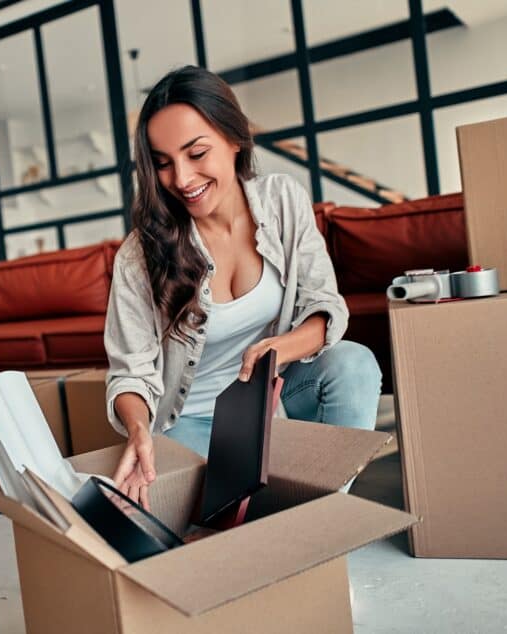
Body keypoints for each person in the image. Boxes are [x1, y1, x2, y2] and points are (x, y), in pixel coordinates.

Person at [106, 67, 381, 508]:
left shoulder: (282, 200)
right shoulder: (140, 255)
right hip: (190, 423)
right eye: (163, 163)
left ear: (235, 138)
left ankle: (328, 510)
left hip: (273, 401)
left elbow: (324, 304)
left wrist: (279, 349)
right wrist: (139, 431)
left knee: (354, 364)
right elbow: (130, 372)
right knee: (219, 511)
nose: (182, 179)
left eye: (197, 153)